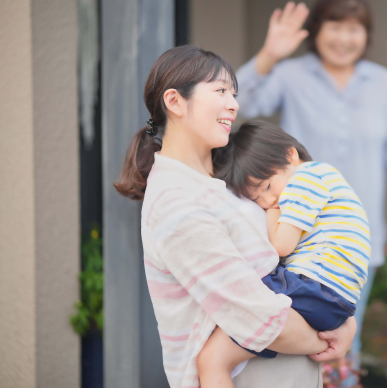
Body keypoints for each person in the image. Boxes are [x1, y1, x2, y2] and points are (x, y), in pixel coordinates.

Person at [113, 45, 356, 388]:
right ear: (175, 102)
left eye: (234, 93)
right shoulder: (175, 200)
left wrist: (343, 317)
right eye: (221, 91)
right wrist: (331, 334)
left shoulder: (226, 179)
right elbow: (254, 314)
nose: (233, 103)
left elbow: (288, 264)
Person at [235, 0, 387, 360]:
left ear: (366, 35)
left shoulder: (382, 83)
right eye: (335, 26)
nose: (343, 38)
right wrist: (270, 54)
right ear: (317, 30)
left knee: (341, 342)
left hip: (353, 242)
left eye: (355, 29)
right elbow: (242, 103)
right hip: (299, 241)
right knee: (292, 342)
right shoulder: (291, 74)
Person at [197, 120, 370, 387]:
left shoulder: (305, 179)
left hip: (314, 287)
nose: (267, 201)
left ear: (291, 155)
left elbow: (280, 246)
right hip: (331, 296)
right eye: (256, 199)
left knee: (236, 296)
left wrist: (271, 212)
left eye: (266, 187)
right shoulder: (323, 176)